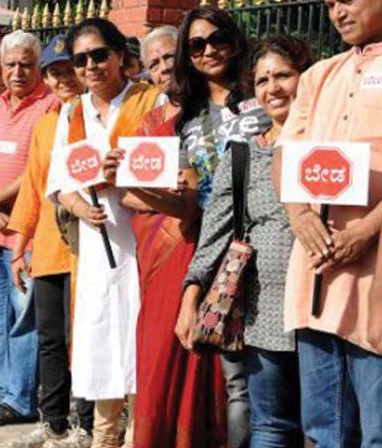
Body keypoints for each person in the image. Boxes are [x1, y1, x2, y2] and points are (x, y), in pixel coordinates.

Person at [182, 35, 313, 448]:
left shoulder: (332, 149)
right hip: (265, 316)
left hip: (325, 317)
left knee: (328, 430)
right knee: (271, 426)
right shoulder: (242, 155)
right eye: (262, 80)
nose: (273, 88)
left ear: (306, 79)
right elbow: (214, 235)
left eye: (284, 76)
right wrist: (191, 298)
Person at [46, 18, 160, 447]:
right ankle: (104, 435)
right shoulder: (73, 112)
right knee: (100, 339)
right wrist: (80, 208)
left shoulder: (150, 101)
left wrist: (123, 176)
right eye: (80, 59)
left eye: (99, 55)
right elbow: (59, 184)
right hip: (96, 245)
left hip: (142, 240)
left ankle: (138, 434)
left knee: (137, 336)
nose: (91, 66)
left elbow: (164, 165)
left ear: (119, 57)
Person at [273, 2, 382, 446]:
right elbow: (285, 154)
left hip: (374, 268)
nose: (338, 12)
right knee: (323, 429)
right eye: (330, 4)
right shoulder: (320, 75)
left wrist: (369, 229)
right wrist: (299, 213)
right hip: (316, 270)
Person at [122, 25, 227, 448]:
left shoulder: (215, 110)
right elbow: (129, 192)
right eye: (155, 63)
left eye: (171, 56)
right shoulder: (149, 121)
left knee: (210, 361)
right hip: (163, 250)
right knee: (159, 354)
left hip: (211, 244)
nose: (165, 68)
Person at [170, 8, 270, 448]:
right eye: (197, 44)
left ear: (235, 41)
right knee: (238, 382)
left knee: (276, 374)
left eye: (218, 39)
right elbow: (189, 205)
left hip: (271, 246)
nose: (209, 50)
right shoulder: (186, 122)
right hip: (219, 257)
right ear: (187, 55)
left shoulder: (263, 100)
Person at [3, 34, 94, 447]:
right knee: (51, 338)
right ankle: (53, 419)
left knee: (87, 338)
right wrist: (20, 246)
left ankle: (87, 423)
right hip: (48, 248)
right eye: (53, 73)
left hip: (87, 248)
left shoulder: (95, 118)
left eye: (66, 71)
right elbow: (34, 190)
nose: (61, 80)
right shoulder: (46, 125)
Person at [0, 30, 56, 427]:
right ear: (0, 67)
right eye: (11, 64)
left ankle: (21, 398)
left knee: (24, 317)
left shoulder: (50, 105)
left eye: (26, 64)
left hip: (28, 234)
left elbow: (39, 170)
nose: (18, 72)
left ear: (37, 66)